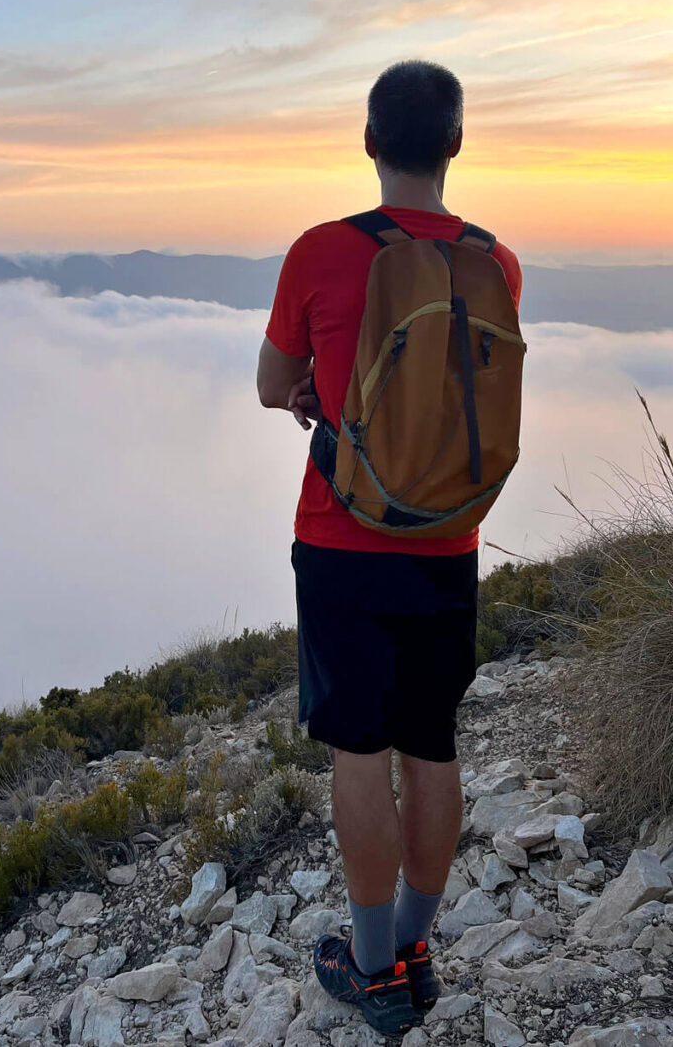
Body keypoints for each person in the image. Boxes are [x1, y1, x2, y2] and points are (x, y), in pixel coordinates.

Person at [256, 59, 522, 1035]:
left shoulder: (321, 252)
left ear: (368, 141)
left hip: (342, 536)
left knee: (360, 758)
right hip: (449, 538)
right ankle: (414, 944)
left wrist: (314, 394)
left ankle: (370, 971)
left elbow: (269, 381)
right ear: (455, 143)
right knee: (433, 746)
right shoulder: (497, 262)